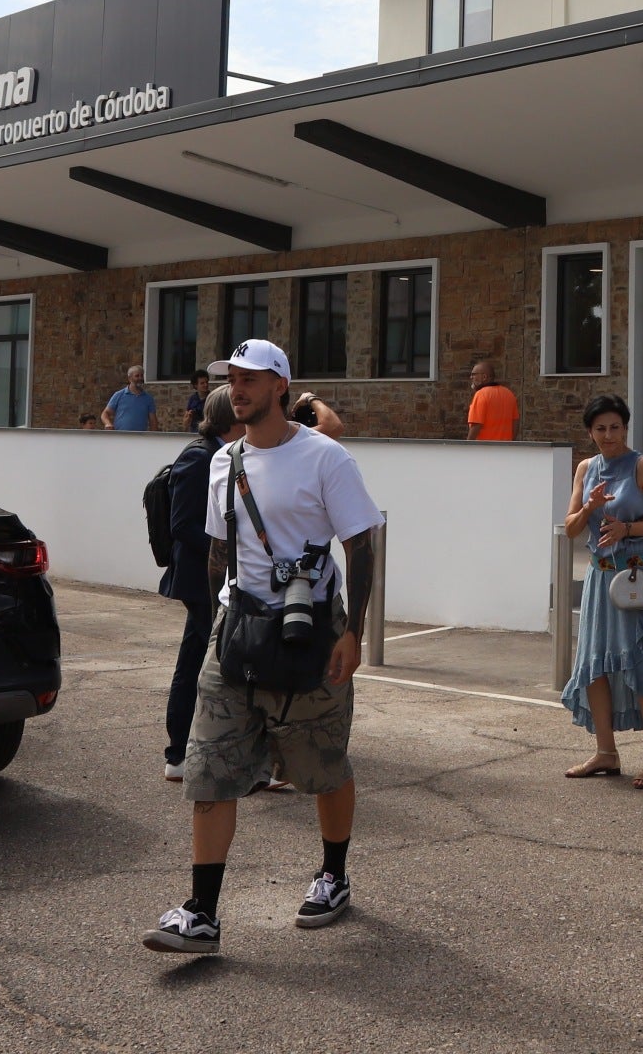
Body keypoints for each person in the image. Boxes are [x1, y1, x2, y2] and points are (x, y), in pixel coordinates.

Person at [144, 340, 385, 956]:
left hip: (311, 634)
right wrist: (211, 620)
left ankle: (333, 873)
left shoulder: (325, 458)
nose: (237, 388)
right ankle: (201, 912)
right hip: (237, 631)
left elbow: (361, 544)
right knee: (208, 769)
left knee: (323, 766)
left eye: (251, 378)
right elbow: (220, 551)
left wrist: (353, 630)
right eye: (232, 379)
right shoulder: (225, 461)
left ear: (281, 386)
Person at [560, 394, 643, 789]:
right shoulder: (586, 468)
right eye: (600, 428)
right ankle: (605, 752)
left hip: (635, 579)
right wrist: (589, 507)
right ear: (590, 431)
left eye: (615, 427)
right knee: (595, 664)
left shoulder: (642, 465)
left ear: (625, 428)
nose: (609, 435)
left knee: (642, 662)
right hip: (600, 579)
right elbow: (570, 528)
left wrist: (628, 529)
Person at [158, 386, 240, 784]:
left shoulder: (223, 454)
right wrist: (228, 548)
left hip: (217, 578)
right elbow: (181, 525)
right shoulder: (199, 456)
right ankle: (177, 752)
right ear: (231, 417)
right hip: (199, 581)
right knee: (195, 662)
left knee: (206, 660)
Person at [466, 359, 519, 441]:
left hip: (485, 450)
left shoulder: (481, 395)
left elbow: (476, 425)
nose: (471, 377)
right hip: (505, 450)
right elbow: (515, 424)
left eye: (474, 374)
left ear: (484, 377)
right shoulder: (509, 394)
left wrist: (467, 447)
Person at [102, 364, 157, 431]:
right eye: (137, 376)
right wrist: (108, 423)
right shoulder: (119, 395)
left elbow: (153, 421)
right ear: (129, 378)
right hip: (120, 437)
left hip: (140, 438)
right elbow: (105, 413)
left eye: (141, 375)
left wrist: (153, 438)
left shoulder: (148, 398)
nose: (140, 378)